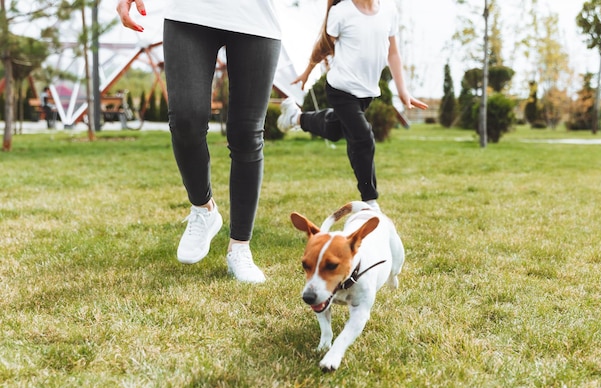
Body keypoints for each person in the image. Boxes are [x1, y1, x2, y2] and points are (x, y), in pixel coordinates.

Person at [116, 0, 282, 283]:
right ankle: (203, 209)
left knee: (246, 133)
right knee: (185, 121)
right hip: (190, 12)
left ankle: (239, 247)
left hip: (256, 16)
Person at [278, 0, 428, 211]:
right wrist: (306, 73)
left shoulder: (388, 10)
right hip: (341, 89)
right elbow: (323, 46)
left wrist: (403, 92)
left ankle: (295, 117)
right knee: (362, 137)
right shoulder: (341, 12)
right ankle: (369, 201)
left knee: (333, 129)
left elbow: (393, 53)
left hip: (366, 93)